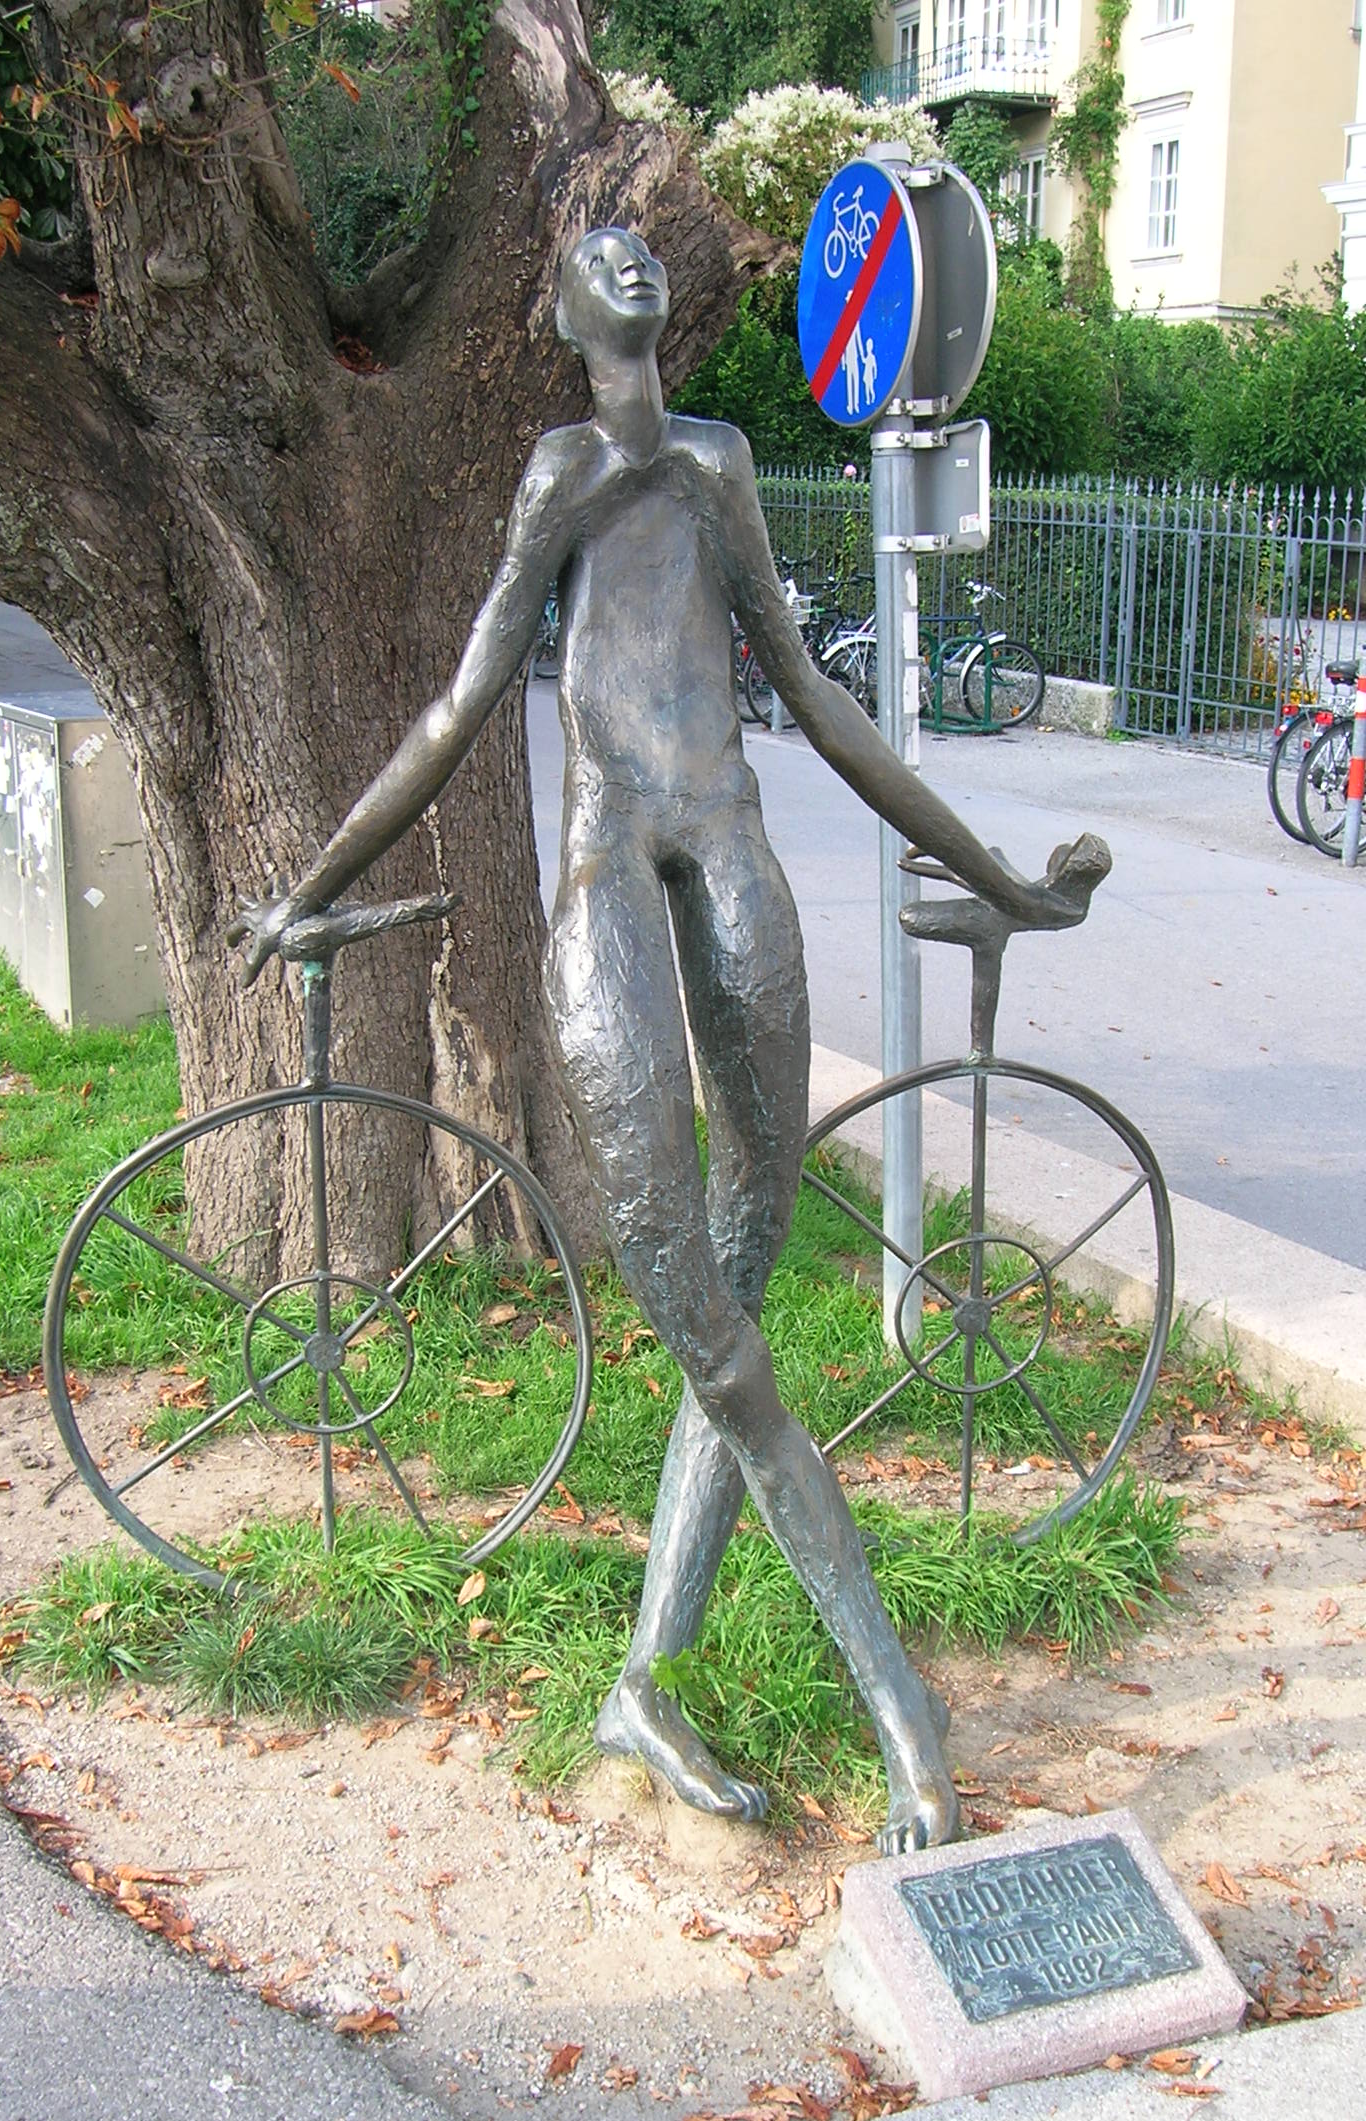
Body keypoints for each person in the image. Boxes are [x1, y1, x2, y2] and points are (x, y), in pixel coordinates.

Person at [232, 225, 1108, 1854]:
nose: (630, 264)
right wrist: (309, 885)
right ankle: (900, 1710)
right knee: (715, 1335)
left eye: (642, 250)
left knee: (742, 1276)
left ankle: (645, 1681)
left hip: (735, 854)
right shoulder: (561, 473)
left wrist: (995, 876)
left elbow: (814, 695)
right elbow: (459, 708)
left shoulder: (717, 463)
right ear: (561, 311)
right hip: (612, 881)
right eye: (598, 254)